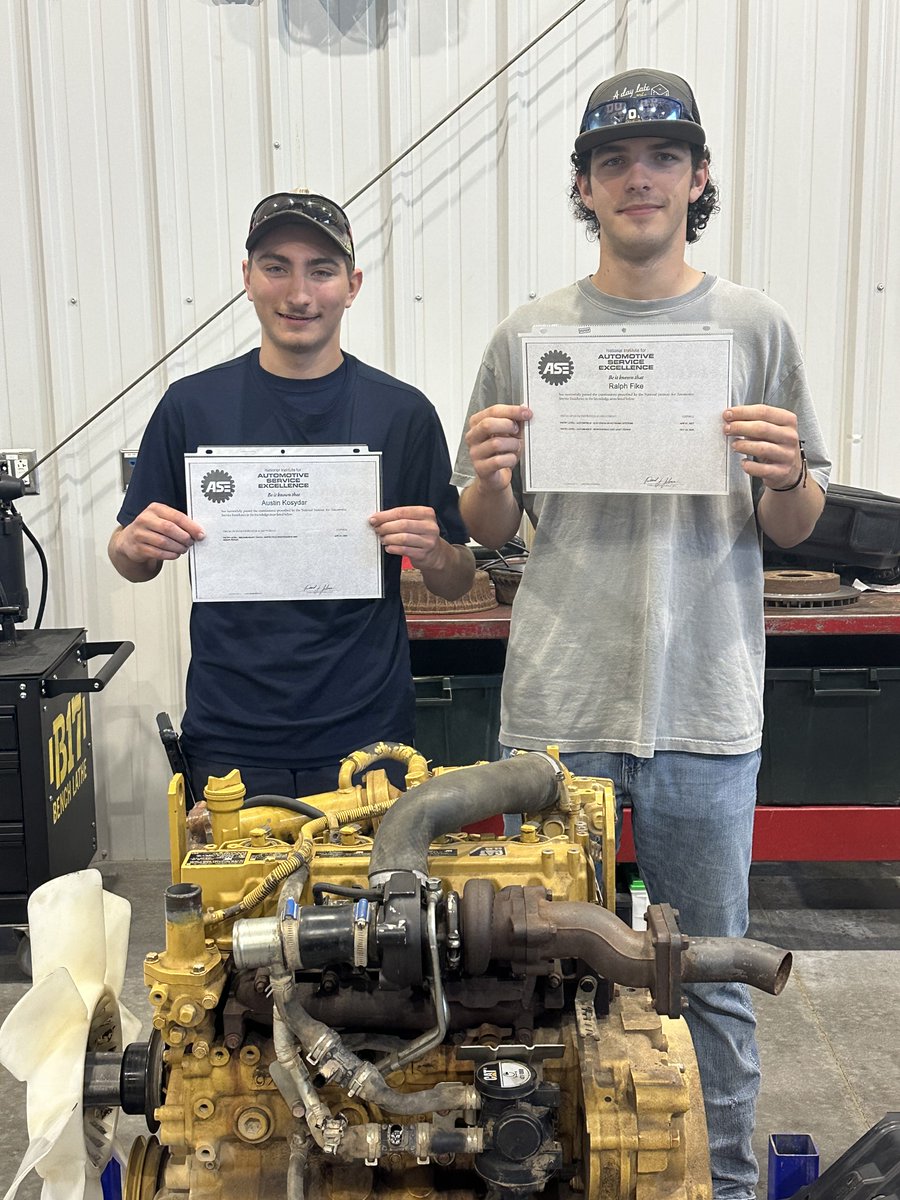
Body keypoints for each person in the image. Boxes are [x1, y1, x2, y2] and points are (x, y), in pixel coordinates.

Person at [453, 69, 830, 1200]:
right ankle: (542, 1169)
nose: (639, 178)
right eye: (614, 162)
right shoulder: (530, 335)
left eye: (663, 157)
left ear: (698, 178)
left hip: (705, 711)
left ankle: (710, 1177)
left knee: (703, 972)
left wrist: (788, 472)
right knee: (525, 968)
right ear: (584, 186)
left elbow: (796, 527)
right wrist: (486, 472)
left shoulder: (753, 327)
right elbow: (484, 531)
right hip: (561, 709)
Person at [110, 190, 475, 797]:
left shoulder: (402, 413)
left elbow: (458, 578)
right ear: (246, 278)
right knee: (238, 892)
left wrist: (435, 551)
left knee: (374, 895)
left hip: (368, 735)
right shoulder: (191, 407)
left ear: (352, 284)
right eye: (276, 266)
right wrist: (134, 542)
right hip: (231, 735)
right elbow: (131, 562)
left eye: (322, 271)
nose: (299, 293)